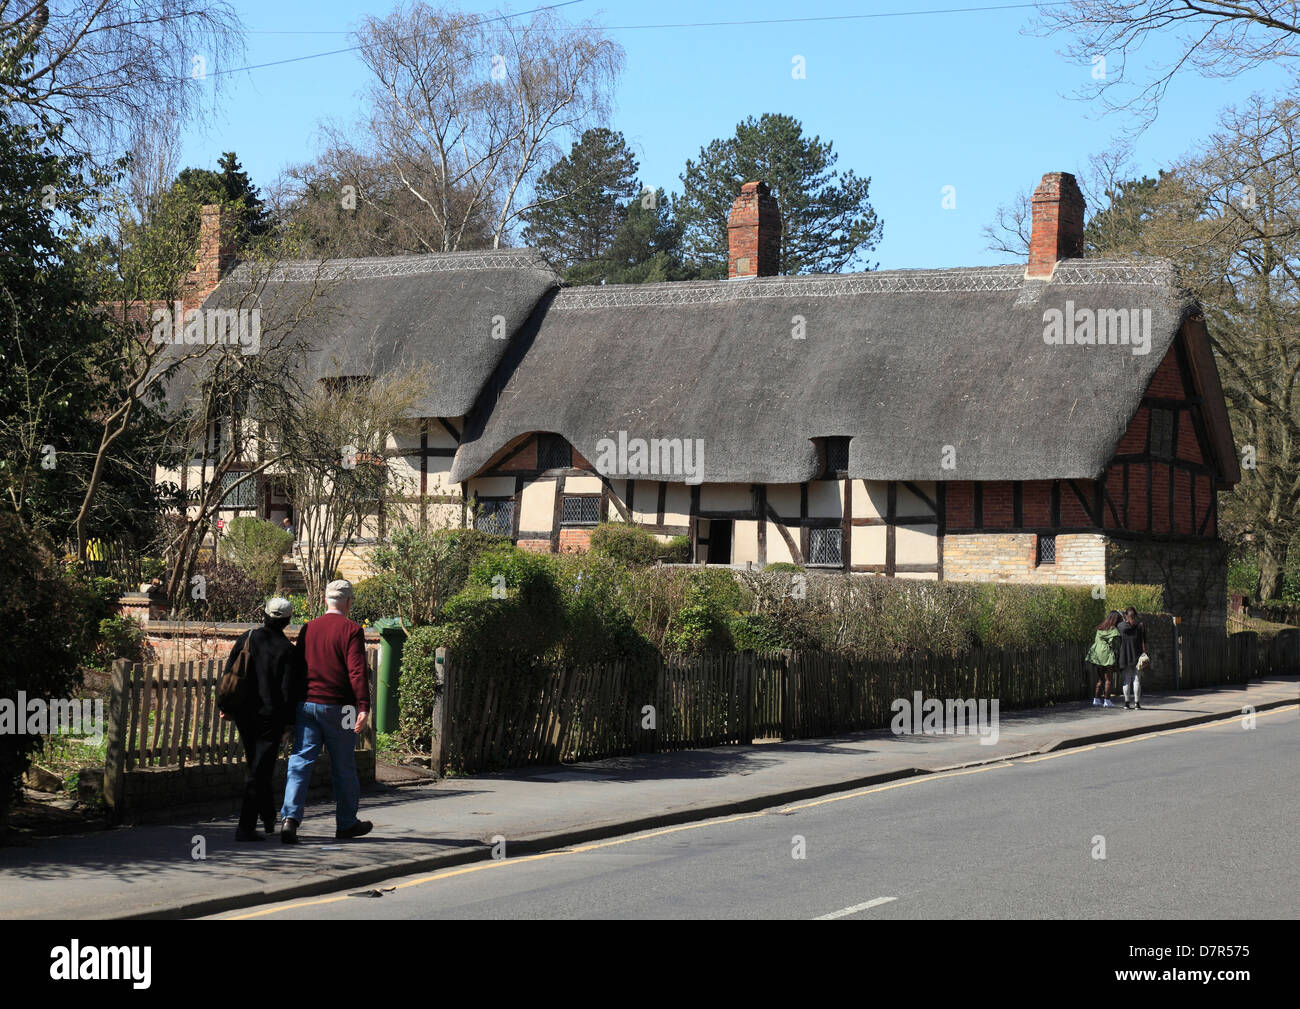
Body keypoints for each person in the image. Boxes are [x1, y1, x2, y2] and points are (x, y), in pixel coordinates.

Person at [279, 579, 372, 843]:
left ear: (325, 600)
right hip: (341, 708)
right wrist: (363, 707)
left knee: (300, 762)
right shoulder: (352, 630)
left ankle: (290, 819)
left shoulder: (309, 628)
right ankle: (346, 823)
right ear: (349, 602)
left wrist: (294, 705)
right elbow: (357, 671)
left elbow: (297, 669)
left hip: (307, 705)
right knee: (343, 766)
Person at [221, 597, 303, 842]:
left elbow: (230, 671)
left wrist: (226, 706)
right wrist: (290, 724)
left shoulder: (247, 637)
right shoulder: (288, 651)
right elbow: (289, 692)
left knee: (258, 767)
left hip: (245, 714)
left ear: (264, 615)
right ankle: (245, 827)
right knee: (258, 770)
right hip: (270, 718)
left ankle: (268, 818)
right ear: (288, 620)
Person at [1086, 611, 1122, 708]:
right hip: (1107, 655)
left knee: (1100, 679)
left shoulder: (1100, 628)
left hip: (1097, 655)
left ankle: (1096, 699)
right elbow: (1115, 644)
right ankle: (1107, 700)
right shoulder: (1113, 630)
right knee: (1108, 679)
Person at [1116, 606, 1148, 710]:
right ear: (1136, 616)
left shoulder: (1120, 626)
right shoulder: (1140, 626)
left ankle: (1126, 703)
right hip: (1137, 656)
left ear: (1126, 616)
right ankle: (1137, 704)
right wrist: (1144, 653)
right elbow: (1144, 643)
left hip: (1124, 657)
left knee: (1126, 680)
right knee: (1137, 679)